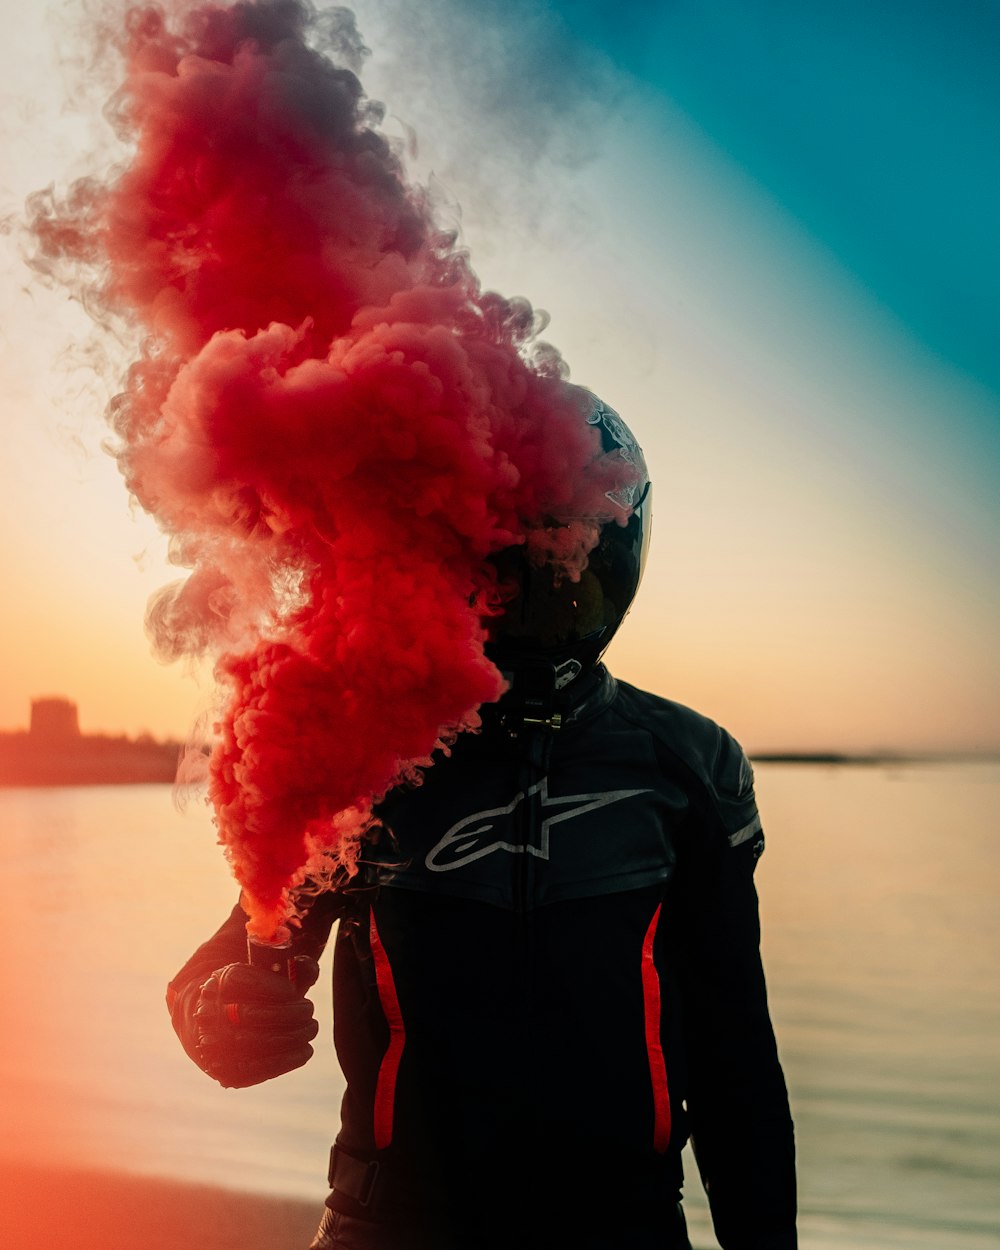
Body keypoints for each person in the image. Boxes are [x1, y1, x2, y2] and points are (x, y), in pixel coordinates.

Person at [167, 398, 798, 1250]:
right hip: (390, 1223)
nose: (543, 601)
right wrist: (226, 1015)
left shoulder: (688, 763)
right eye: (510, 572)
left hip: (626, 1223)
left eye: (571, 568)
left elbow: (735, 1055)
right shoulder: (365, 755)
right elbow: (227, 962)